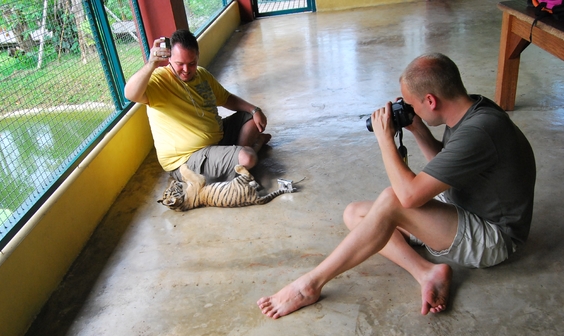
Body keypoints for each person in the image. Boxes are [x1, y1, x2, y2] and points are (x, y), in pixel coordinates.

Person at [257, 53, 536, 318]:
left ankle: (310, 285)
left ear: (431, 100)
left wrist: (385, 140)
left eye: (412, 105)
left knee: (392, 200)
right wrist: (418, 128)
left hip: (495, 237)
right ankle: (426, 272)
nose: (410, 109)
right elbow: (447, 163)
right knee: (355, 213)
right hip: (463, 207)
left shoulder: (480, 130)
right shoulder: (469, 109)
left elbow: (409, 196)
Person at [124, 29, 271, 183]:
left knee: (251, 118)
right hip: (187, 159)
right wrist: (150, 65)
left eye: (192, 63)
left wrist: (254, 109)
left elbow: (226, 98)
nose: (186, 70)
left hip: (216, 141)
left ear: (198, 56)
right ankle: (247, 153)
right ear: (169, 58)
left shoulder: (202, 74)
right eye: (180, 64)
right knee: (248, 158)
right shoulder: (158, 80)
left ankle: (235, 161)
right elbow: (130, 94)